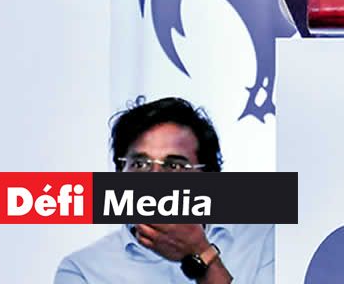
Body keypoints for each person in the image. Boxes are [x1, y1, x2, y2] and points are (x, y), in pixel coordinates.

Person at [54, 97, 273, 284]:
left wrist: (201, 254)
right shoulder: (83, 271)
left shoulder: (264, 242)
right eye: (140, 164)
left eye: (174, 166)